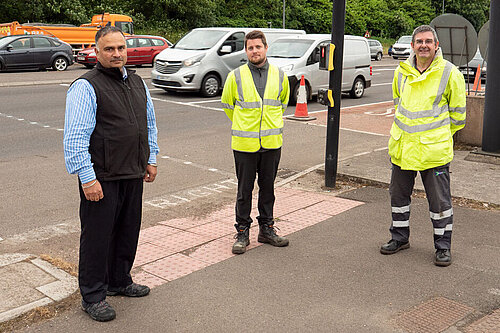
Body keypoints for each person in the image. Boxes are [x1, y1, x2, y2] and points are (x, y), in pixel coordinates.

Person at [63, 26, 159, 321]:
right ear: (97, 50)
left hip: (132, 170)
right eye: (109, 49)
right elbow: (75, 137)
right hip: (101, 176)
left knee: (128, 230)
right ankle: (93, 295)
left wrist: (151, 157)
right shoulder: (86, 86)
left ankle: (119, 280)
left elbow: (149, 122)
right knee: (97, 237)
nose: (116, 54)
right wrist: (86, 177)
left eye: (120, 48)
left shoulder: (138, 82)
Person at [380, 25, 466, 266]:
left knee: (440, 203)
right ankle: (399, 238)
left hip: (434, 152)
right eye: (419, 41)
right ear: (413, 45)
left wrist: (436, 137)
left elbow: (459, 117)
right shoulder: (401, 72)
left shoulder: (450, 73)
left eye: (429, 41)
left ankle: (443, 247)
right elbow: (399, 104)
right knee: (398, 197)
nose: (424, 45)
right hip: (403, 148)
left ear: (436, 45)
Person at [221, 30, 290, 254]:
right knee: (244, 190)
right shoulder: (236, 76)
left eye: (258, 47)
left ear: (266, 48)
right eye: (250, 48)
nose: (254, 51)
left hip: (271, 143)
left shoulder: (279, 75)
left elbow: (282, 103)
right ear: (246, 50)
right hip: (244, 145)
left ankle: (266, 229)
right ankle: (242, 232)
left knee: (268, 189)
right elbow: (228, 105)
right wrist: (246, 126)